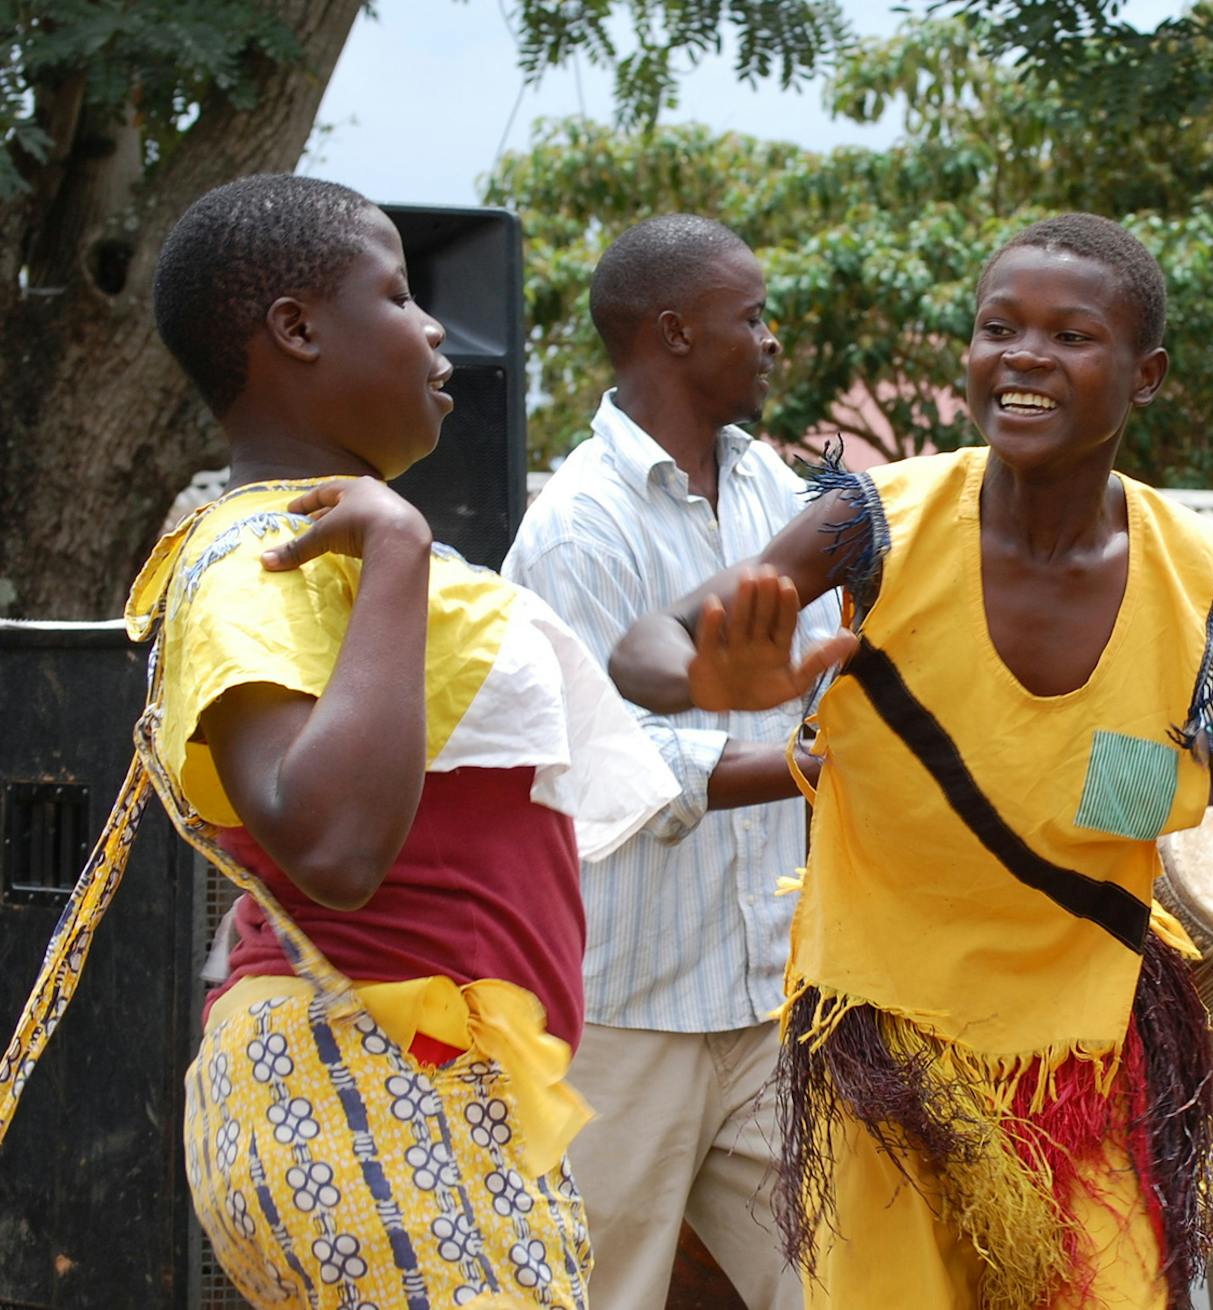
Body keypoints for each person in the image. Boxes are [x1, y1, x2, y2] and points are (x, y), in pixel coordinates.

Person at [606, 213, 1213, 1309]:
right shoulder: (874, 520)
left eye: (1071, 335)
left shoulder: (1203, 572)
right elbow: (643, 647)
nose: (1026, 354)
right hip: (888, 1049)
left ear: (1145, 376)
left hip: (1088, 1060)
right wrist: (708, 676)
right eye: (1001, 327)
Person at [0, 175, 680, 1308]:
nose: (433, 329)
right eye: (399, 294)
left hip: (414, 1077)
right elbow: (335, 841)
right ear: (297, 329)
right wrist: (402, 551)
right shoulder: (259, 559)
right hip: (364, 1078)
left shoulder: (328, 547)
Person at [503, 215, 835, 1310]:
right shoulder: (575, 527)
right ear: (675, 331)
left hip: (767, 1001)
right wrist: (805, 764)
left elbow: (822, 683)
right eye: (754, 316)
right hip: (621, 1014)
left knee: (840, 1281)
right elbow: (600, 763)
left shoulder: (773, 493)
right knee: (599, 1294)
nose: (773, 339)